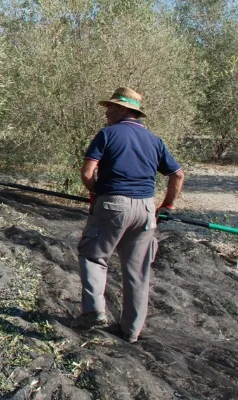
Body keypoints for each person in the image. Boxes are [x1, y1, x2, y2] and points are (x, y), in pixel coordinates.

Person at [74, 87, 185, 343]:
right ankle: (131, 332)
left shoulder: (107, 135)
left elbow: (87, 173)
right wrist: (167, 206)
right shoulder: (155, 141)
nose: (106, 114)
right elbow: (177, 175)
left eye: (110, 108)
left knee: (93, 256)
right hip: (146, 209)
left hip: (113, 204)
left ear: (125, 110)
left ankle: (93, 311)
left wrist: (96, 194)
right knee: (137, 271)